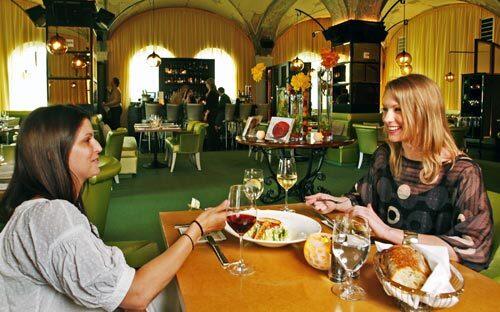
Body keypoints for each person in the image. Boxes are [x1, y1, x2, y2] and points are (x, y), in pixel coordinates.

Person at [0, 105, 228, 311]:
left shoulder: (35, 211)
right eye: (87, 140)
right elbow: (136, 296)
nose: (98, 146)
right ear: (52, 154)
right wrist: (197, 228)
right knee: (199, 288)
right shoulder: (51, 216)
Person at [306, 74, 493, 271]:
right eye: (385, 109)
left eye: (398, 110)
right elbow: (363, 197)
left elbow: (475, 250)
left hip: (431, 278)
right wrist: (335, 203)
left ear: (425, 114)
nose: (387, 119)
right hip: (382, 266)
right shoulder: (385, 155)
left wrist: (389, 232)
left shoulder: (463, 172)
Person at [203, 78, 221, 150]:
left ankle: (211, 146)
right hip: (214, 112)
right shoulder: (214, 92)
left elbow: (210, 105)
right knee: (212, 129)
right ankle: (215, 145)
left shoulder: (211, 93)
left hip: (211, 113)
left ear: (209, 84)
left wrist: (206, 114)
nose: (206, 85)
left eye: (206, 84)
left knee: (210, 129)